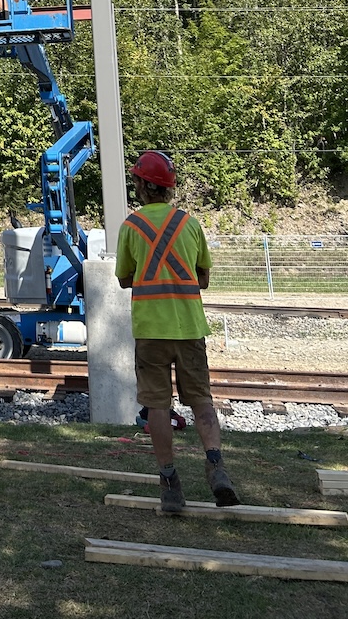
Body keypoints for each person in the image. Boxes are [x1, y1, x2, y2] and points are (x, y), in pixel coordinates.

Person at [115, 149, 241, 514]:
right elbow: (203, 278)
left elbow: (124, 278)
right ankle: (216, 467)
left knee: (157, 406)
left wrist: (149, 274)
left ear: (142, 185)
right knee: (201, 401)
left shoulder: (131, 227)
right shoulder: (190, 224)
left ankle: (170, 483)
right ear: (169, 188)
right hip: (189, 327)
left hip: (151, 330)